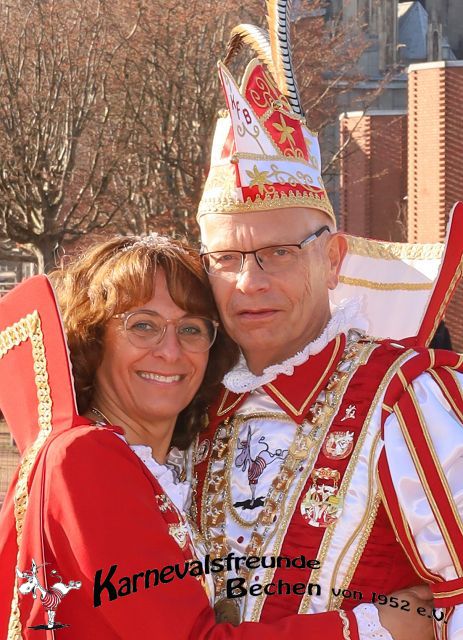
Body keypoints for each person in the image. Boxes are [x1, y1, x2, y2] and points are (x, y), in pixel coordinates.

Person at [192, 2, 463, 640]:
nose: (249, 282)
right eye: (227, 258)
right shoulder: (192, 404)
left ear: (334, 258)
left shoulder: (403, 399)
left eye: (280, 252)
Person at [0, 233, 406, 639]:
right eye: (143, 326)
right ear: (93, 338)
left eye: (191, 329)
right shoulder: (86, 457)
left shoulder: (170, 464)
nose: (170, 351)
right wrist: (375, 627)